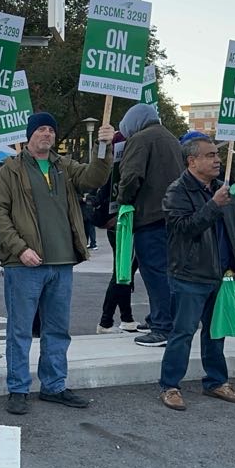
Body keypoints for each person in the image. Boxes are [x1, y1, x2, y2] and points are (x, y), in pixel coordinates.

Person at [0, 112, 113, 415]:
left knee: (57, 329)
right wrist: (19, 249)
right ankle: (18, 388)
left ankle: (54, 385)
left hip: (61, 262)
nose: (46, 135)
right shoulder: (11, 170)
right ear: (29, 135)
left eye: (50, 130)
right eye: (40, 130)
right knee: (19, 330)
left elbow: (93, 178)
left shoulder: (63, 166)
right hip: (24, 265)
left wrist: (104, 148)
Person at [158, 135, 235, 410]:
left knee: (215, 332)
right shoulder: (177, 191)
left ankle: (217, 382)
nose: (217, 159)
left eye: (217, 155)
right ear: (192, 161)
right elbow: (183, 229)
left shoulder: (225, 190)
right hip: (189, 275)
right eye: (209, 155)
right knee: (182, 332)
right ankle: (170, 386)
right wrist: (213, 206)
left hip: (222, 274)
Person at [117, 103, 183, 347]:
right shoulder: (172, 139)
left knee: (154, 272)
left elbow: (132, 176)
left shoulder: (140, 140)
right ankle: (162, 317)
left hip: (151, 216)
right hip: (175, 217)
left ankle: (163, 327)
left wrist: (123, 199)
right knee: (169, 272)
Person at [93, 132, 138, 334]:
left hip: (120, 223)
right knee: (122, 271)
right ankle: (107, 320)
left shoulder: (114, 170)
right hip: (121, 224)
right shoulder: (117, 171)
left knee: (124, 270)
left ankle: (123, 318)